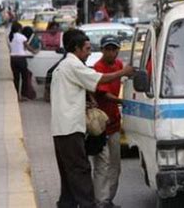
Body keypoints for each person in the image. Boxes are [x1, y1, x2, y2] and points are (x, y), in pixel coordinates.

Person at [50, 30, 133, 208]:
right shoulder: (73, 65)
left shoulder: (63, 66)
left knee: (69, 173)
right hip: (70, 129)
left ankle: (67, 204)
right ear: (76, 49)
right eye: (87, 48)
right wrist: (123, 72)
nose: (89, 52)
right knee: (81, 170)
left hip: (62, 129)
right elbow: (100, 79)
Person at [92, 35, 124, 208]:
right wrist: (122, 102)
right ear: (102, 50)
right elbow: (104, 94)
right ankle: (101, 200)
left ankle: (108, 199)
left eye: (114, 49)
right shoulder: (98, 67)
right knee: (102, 164)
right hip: (100, 125)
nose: (111, 52)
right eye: (108, 49)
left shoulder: (119, 65)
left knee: (115, 165)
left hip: (115, 123)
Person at [8, 21, 37, 101]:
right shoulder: (22, 37)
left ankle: (17, 95)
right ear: (19, 29)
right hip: (21, 59)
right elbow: (27, 47)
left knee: (16, 78)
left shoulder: (10, 37)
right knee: (25, 77)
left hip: (12, 59)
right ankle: (24, 95)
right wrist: (34, 51)